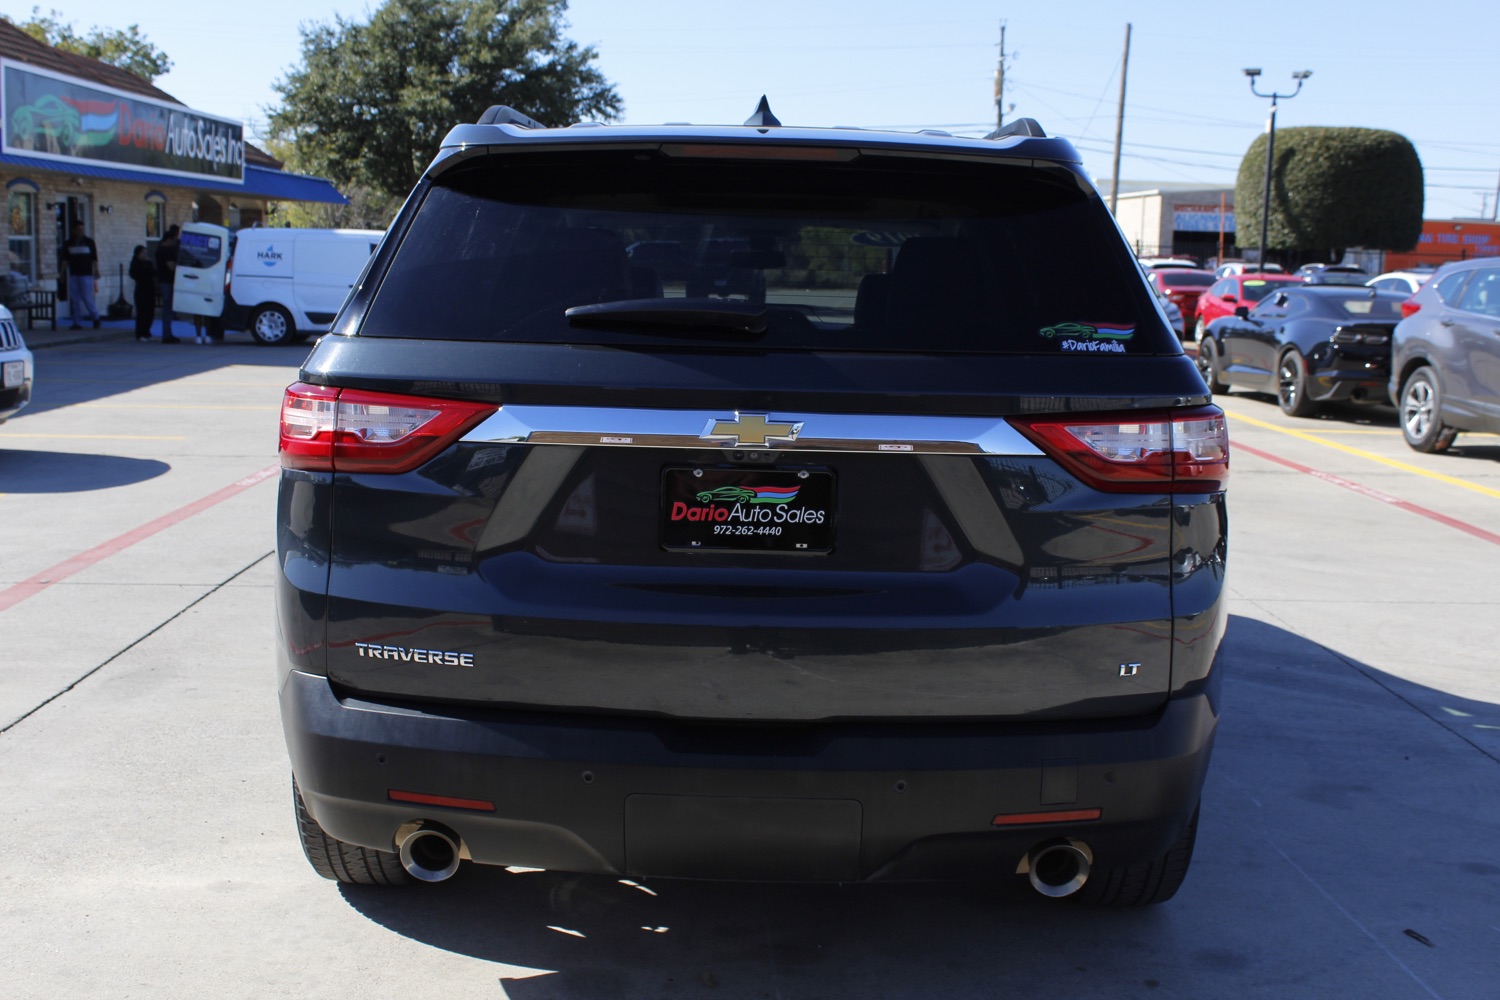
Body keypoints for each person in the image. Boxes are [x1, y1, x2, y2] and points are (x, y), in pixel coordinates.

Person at [59, 221, 101, 330]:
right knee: (75, 299)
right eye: (78, 229)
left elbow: (94, 258)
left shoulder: (89, 242)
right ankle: (76, 322)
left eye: (82, 229)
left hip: (86, 274)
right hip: (74, 274)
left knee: (87, 297)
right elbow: (65, 260)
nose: (80, 231)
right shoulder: (68, 243)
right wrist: (62, 273)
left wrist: (96, 270)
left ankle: (95, 317)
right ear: (73, 230)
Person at [155, 225, 181, 343]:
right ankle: (166, 335)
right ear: (169, 240)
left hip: (165, 281)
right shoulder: (164, 251)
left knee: (169, 309)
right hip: (166, 281)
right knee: (167, 309)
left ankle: (168, 333)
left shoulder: (161, 249)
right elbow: (171, 267)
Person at [128, 244, 156, 341]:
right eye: (143, 253)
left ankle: (146, 332)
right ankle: (140, 334)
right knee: (142, 313)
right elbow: (134, 274)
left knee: (150, 312)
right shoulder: (135, 263)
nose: (144, 255)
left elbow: (153, 272)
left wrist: (149, 264)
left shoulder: (148, 263)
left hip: (150, 289)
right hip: (141, 290)